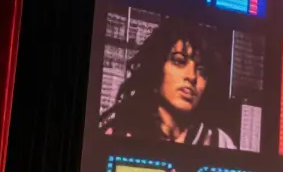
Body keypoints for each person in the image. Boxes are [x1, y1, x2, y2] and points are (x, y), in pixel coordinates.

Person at [99, 16, 237, 148]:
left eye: (202, 70)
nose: (192, 76)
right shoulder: (120, 134)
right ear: (156, 67)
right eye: (179, 61)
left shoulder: (220, 142)